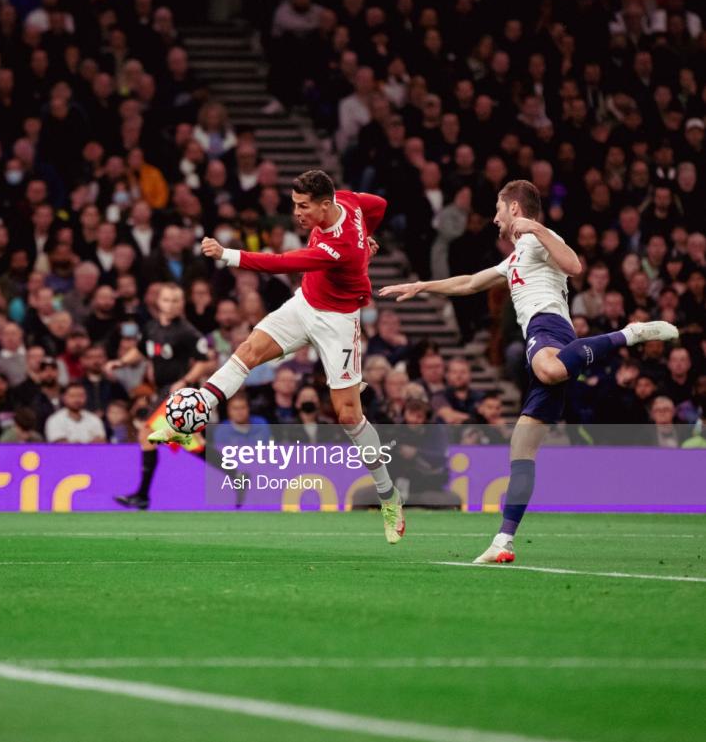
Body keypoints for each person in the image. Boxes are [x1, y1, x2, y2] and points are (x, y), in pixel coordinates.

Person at [382, 179, 678, 564]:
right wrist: (422, 286)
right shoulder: (516, 256)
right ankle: (504, 540)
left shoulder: (539, 238)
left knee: (551, 369)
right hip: (539, 337)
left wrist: (538, 228)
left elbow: (574, 265)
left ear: (515, 209)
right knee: (521, 447)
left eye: (498, 210)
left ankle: (630, 333)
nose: (494, 219)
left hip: (549, 327)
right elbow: (470, 282)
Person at [189, 170, 406, 544]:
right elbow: (380, 205)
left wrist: (227, 254)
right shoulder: (350, 201)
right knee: (248, 350)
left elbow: (282, 263)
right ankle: (193, 411)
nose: (297, 213)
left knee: (348, 415)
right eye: (294, 204)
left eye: (304, 206)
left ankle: (389, 496)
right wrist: (369, 233)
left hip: (338, 322)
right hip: (305, 304)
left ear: (325, 204)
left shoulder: (340, 246)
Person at [105, 282, 213, 509]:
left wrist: (183, 381)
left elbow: (205, 362)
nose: (171, 305)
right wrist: (121, 362)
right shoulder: (152, 328)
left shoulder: (187, 331)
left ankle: (142, 496)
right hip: (162, 390)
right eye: (166, 300)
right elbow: (141, 350)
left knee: (146, 432)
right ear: (158, 302)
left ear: (182, 304)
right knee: (191, 443)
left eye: (176, 301)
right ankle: (236, 475)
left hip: (181, 394)